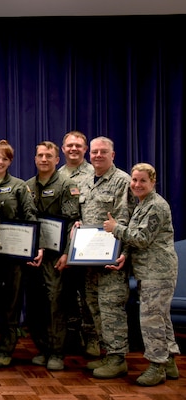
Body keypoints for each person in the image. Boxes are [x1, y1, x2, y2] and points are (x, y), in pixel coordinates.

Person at [103, 163, 180, 386]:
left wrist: (115, 228)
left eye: (142, 181)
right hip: (148, 271)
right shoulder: (143, 204)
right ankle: (169, 362)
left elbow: (142, 238)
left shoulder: (156, 206)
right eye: (134, 180)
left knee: (151, 320)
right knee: (162, 318)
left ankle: (157, 366)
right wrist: (124, 254)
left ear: (152, 182)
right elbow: (136, 239)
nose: (137, 184)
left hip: (159, 272)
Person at [78, 136, 136, 379]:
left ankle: (117, 357)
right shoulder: (85, 181)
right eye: (94, 152)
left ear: (113, 155)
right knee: (94, 306)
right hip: (89, 259)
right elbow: (83, 215)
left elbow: (127, 220)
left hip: (112, 260)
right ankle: (107, 352)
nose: (98, 155)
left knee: (111, 307)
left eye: (103, 151)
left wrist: (123, 254)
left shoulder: (122, 181)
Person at [0, 139, 42, 367]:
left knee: (11, 304)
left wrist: (34, 246)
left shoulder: (18, 186)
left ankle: (6, 349)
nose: (0, 162)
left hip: (12, 257)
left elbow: (30, 216)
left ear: (10, 161)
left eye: (5, 158)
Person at [24, 141, 80, 371]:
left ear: (58, 159)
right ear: (35, 159)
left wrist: (67, 254)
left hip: (56, 256)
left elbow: (73, 223)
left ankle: (57, 351)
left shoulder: (67, 185)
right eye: (40, 155)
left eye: (49, 155)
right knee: (36, 303)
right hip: (33, 254)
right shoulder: (28, 186)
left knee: (55, 304)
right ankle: (43, 347)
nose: (44, 159)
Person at [57, 130, 98, 358]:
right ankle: (72, 337)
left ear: (85, 150)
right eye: (69, 145)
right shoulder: (58, 175)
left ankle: (92, 337)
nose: (73, 149)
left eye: (78, 145)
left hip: (88, 246)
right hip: (62, 246)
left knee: (88, 295)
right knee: (67, 294)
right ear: (63, 149)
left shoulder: (95, 174)